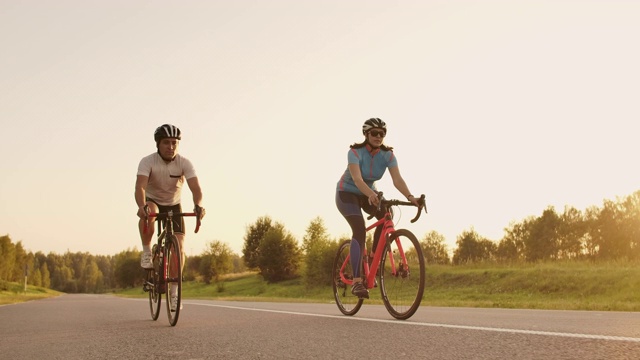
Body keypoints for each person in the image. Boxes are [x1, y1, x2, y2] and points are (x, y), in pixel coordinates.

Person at [335, 118, 419, 299]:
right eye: (374, 133)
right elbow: (357, 180)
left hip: (369, 193)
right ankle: (357, 281)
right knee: (359, 229)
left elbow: (398, 180)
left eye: (382, 134)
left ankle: (373, 257)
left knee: (387, 214)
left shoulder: (387, 155)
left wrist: (411, 197)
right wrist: (370, 195)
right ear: (366, 135)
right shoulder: (355, 152)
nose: (378, 137)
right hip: (346, 193)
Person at [135, 124, 205, 311]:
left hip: (174, 205)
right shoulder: (147, 161)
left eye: (174, 143)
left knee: (180, 247)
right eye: (166, 143)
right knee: (151, 211)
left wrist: (198, 205)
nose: (171, 146)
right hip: (153, 201)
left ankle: (174, 292)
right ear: (158, 144)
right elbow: (140, 187)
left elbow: (196, 188)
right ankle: (147, 251)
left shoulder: (184, 163)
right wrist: (141, 207)